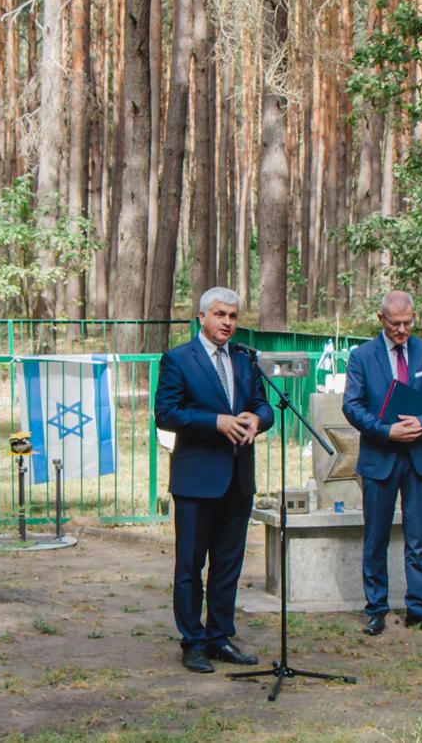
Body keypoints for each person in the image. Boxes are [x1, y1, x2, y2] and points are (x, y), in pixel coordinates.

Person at [154, 287, 274, 673]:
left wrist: (258, 419)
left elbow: (262, 404)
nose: (227, 323)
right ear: (202, 317)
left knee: (228, 564)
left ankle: (220, 636)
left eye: (233, 316)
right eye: (220, 315)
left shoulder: (244, 359)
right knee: (190, 565)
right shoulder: (177, 360)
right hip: (196, 479)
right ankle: (192, 642)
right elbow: (166, 413)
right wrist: (216, 422)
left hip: (238, 478)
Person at [341, 291, 422, 635]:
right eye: (395, 324)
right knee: (375, 537)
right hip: (380, 457)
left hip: (419, 458)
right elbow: (352, 406)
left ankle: (418, 608)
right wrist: (385, 431)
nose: (402, 330)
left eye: (408, 323)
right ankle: (376, 608)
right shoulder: (362, 356)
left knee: (419, 537)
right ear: (381, 320)